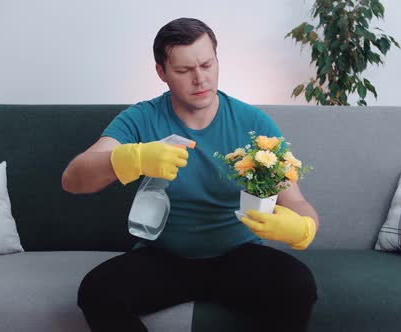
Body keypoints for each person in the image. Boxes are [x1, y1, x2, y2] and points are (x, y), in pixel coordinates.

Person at [61, 17, 319, 332]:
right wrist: (134, 158)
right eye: (184, 71)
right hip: (164, 256)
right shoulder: (142, 117)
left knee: (299, 286)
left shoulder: (254, 123)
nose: (200, 79)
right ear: (162, 73)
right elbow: (73, 178)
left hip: (237, 256)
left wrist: (302, 228)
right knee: (96, 292)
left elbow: (300, 204)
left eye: (207, 65)